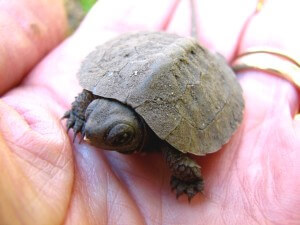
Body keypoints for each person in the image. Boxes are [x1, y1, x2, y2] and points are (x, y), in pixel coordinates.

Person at [0, 0, 299, 224]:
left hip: (193, 71)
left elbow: (189, 167)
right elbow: (88, 93)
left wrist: (189, 180)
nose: (90, 131)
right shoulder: (95, 99)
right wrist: (81, 114)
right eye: (90, 116)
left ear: (134, 136)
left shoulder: (166, 144)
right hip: (148, 57)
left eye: (117, 136)